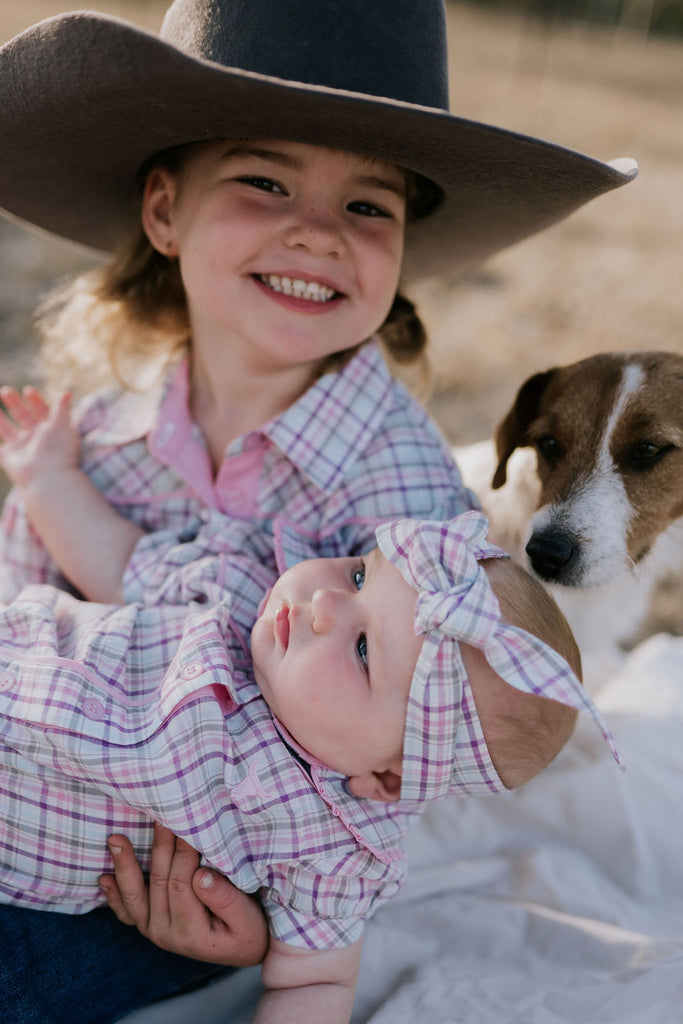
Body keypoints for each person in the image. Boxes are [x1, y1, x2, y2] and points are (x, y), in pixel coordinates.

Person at [0, 0, 636, 1014]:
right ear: (164, 210)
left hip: (152, 884)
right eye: (263, 180)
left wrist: (256, 929)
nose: (315, 232)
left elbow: (393, 776)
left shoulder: (408, 512)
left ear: (399, 246)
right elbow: (27, 603)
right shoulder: (104, 441)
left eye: (367, 206)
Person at [0, 503, 619, 1022]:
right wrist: (50, 474)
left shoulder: (334, 848)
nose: (323, 601)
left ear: (388, 779)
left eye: (361, 649)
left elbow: (312, 987)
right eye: (358, 577)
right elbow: (117, 562)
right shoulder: (242, 597)